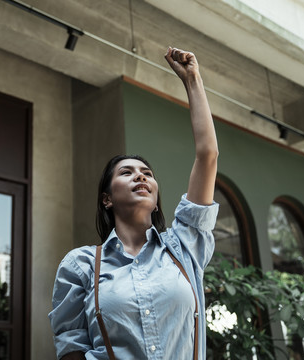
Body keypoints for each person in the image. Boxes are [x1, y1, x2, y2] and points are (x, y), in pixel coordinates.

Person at [48, 47, 220, 360]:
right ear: (107, 199)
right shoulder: (80, 265)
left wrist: (193, 80)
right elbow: (71, 350)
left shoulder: (184, 246)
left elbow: (207, 156)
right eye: (127, 173)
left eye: (147, 174)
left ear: (156, 200)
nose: (140, 177)